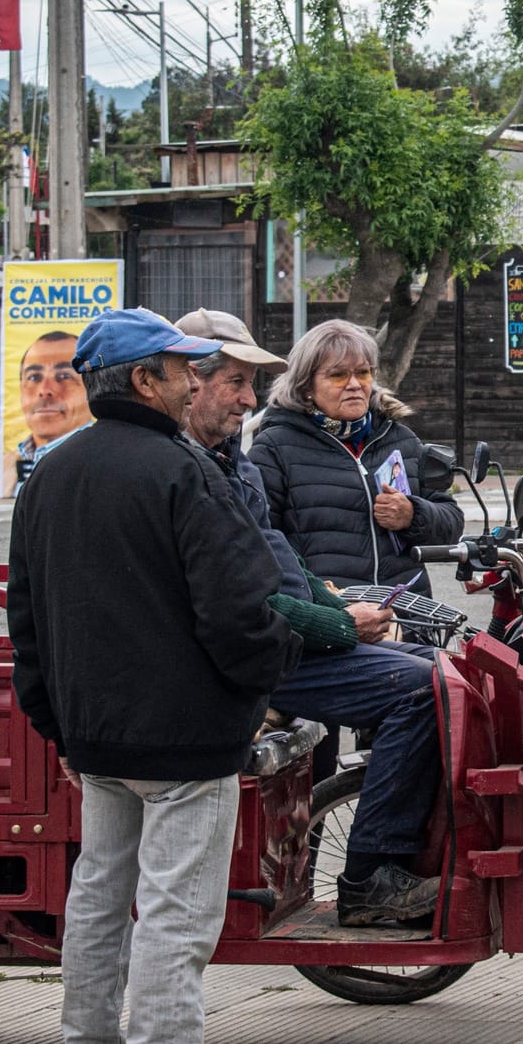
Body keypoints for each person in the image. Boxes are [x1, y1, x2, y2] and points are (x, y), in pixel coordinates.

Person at [6, 307, 301, 1044]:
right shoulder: (185, 471)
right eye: (181, 369)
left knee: (99, 896)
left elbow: (27, 622)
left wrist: (57, 726)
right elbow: (243, 612)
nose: (194, 381)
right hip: (187, 744)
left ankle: (86, 1034)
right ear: (144, 380)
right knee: (176, 916)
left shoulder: (48, 474)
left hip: (95, 741)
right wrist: (257, 692)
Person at [173, 308, 443, 927]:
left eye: (363, 373)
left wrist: (334, 603)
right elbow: (241, 599)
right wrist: (339, 624)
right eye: (236, 383)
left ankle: (391, 861)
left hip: (291, 632)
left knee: (441, 671)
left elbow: (278, 557)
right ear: (187, 381)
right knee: (424, 689)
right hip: (251, 652)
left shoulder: (230, 458)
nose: (250, 399)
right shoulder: (212, 464)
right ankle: (370, 876)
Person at [251, 319, 464, 592]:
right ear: (306, 387)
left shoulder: (400, 440)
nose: (354, 384)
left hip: (407, 609)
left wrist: (413, 514)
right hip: (332, 611)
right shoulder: (275, 448)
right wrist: (319, 602)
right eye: (338, 375)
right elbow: (261, 543)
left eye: (363, 373)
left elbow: (451, 524)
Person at [15, 330, 92, 486]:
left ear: (91, 388)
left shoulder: (101, 461)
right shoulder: (9, 469)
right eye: (34, 377)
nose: (45, 390)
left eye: (65, 376)